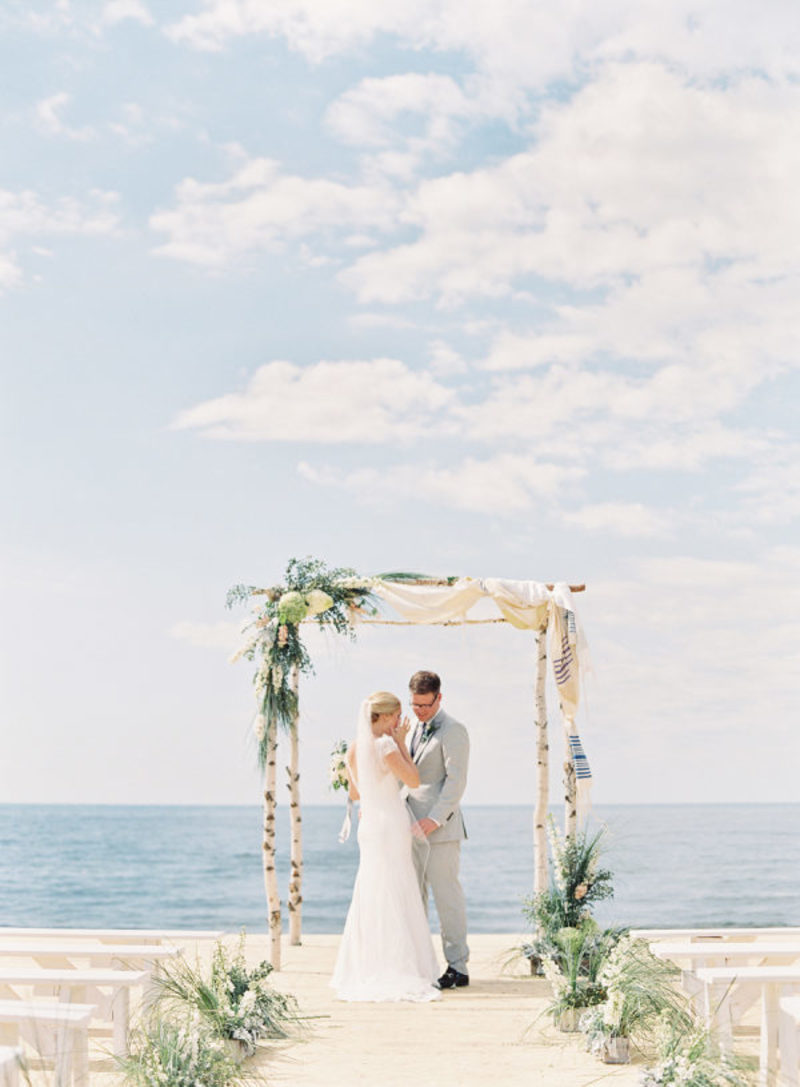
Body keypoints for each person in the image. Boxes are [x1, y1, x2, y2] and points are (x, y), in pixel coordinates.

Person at [330, 691, 441, 1002]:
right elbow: (414, 780)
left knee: (371, 889)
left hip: (369, 827)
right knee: (396, 888)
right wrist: (403, 742)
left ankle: (366, 964)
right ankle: (398, 965)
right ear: (384, 717)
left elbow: (354, 794)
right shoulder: (386, 745)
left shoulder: (354, 749)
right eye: (395, 716)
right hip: (390, 825)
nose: (398, 722)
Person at [406, 670, 470, 989]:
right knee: (414, 898)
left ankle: (458, 967)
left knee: (447, 900)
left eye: (425, 706)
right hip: (410, 829)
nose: (420, 711)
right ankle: (420, 963)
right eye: (415, 705)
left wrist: (434, 818)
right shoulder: (410, 731)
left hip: (440, 831)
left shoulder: (454, 730)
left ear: (439, 698)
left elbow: (456, 782)